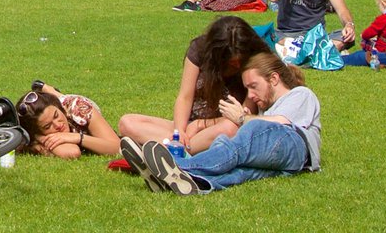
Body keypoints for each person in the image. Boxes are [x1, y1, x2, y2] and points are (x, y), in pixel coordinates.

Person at [126, 51, 321, 194]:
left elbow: (280, 124)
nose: (250, 95)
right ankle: (192, 183)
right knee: (241, 172)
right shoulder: (265, 109)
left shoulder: (301, 94)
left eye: (254, 87)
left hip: (295, 145)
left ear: (274, 79)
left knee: (247, 134)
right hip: (294, 165)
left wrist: (242, 118)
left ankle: (179, 166)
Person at [116, 15, 270, 157]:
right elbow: (185, 96)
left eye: (239, 62)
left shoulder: (255, 59)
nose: (237, 66)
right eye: (230, 63)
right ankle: (180, 147)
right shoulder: (199, 49)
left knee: (230, 129)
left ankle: (174, 154)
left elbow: (243, 115)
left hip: (224, 125)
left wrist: (202, 125)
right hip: (191, 127)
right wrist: (179, 131)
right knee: (127, 123)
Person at [17, 84, 120, 159]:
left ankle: (52, 92)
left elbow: (117, 148)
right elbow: (72, 153)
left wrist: (78, 138)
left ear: (58, 107)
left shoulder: (80, 108)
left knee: (64, 99)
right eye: (48, 126)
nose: (58, 125)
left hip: (73, 105)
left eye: (56, 115)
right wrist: (39, 140)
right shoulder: (37, 136)